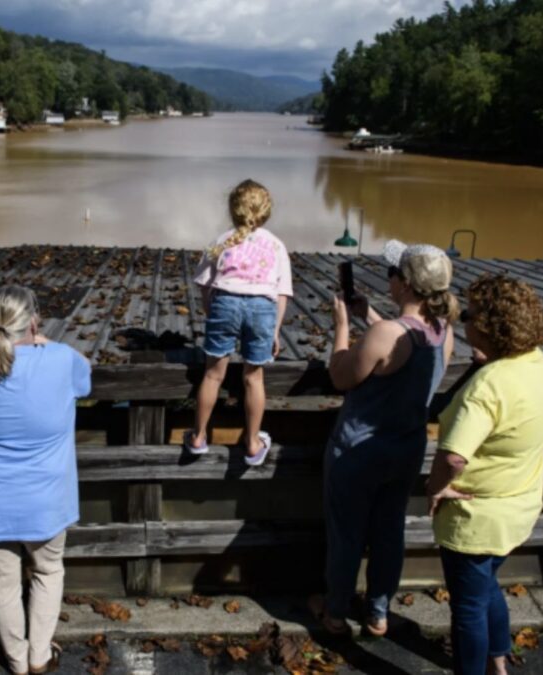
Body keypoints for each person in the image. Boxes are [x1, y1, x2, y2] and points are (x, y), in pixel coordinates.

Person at [310, 240, 457, 637]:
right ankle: (377, 612)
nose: (388, 278)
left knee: (347, 534)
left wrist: (342, 325)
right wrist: (368, 314)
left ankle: (336, 612)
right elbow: (401, 344)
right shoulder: (444, 332)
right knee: (390, 530)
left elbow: (341, 375)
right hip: (406, 449)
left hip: (359, 451)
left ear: (406, 284)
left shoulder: (385, 333)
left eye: (393, 273)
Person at [426, 274, 543, 675]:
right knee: (486, 586)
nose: (463, 321)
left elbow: (453, 457)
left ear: (486, 326)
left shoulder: (488, 387)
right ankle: (498, 660)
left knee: (467, 607)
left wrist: (435, 488)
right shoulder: (538, 364)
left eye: (468, 314)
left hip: (476, 518)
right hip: (519, 505)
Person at [0, 286, 92, 675]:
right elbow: (86, 373)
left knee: (2, 585)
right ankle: (39, 657)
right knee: (48, 571)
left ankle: (16, 661)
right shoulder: (61, 359)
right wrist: (45, 340)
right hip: (47, 497)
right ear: (34, 320)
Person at [186, 179, 293, 465]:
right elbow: (282, 294)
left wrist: (212, 311)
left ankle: (198, 437)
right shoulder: (277, 246)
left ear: (233, 209)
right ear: (266, 211)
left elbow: (204, 284)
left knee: (212, 375)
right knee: (253, 378)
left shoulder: (221, 240)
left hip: (225, 303)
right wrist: (274, 331)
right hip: (262, 309)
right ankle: (252, 442)